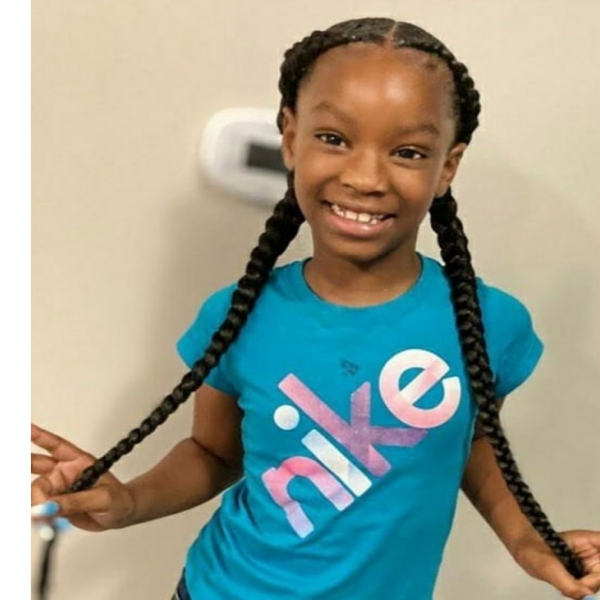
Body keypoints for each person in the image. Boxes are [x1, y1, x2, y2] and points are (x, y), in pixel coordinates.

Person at [30, 17, 600, 600]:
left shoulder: (487, 324)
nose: (365, 177)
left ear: (447, 166)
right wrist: (127, 500)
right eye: (333, 138)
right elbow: (211, 451)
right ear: (289, 136)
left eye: (407, 151)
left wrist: (530, 541)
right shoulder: (236, 316)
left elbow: (472, 443)